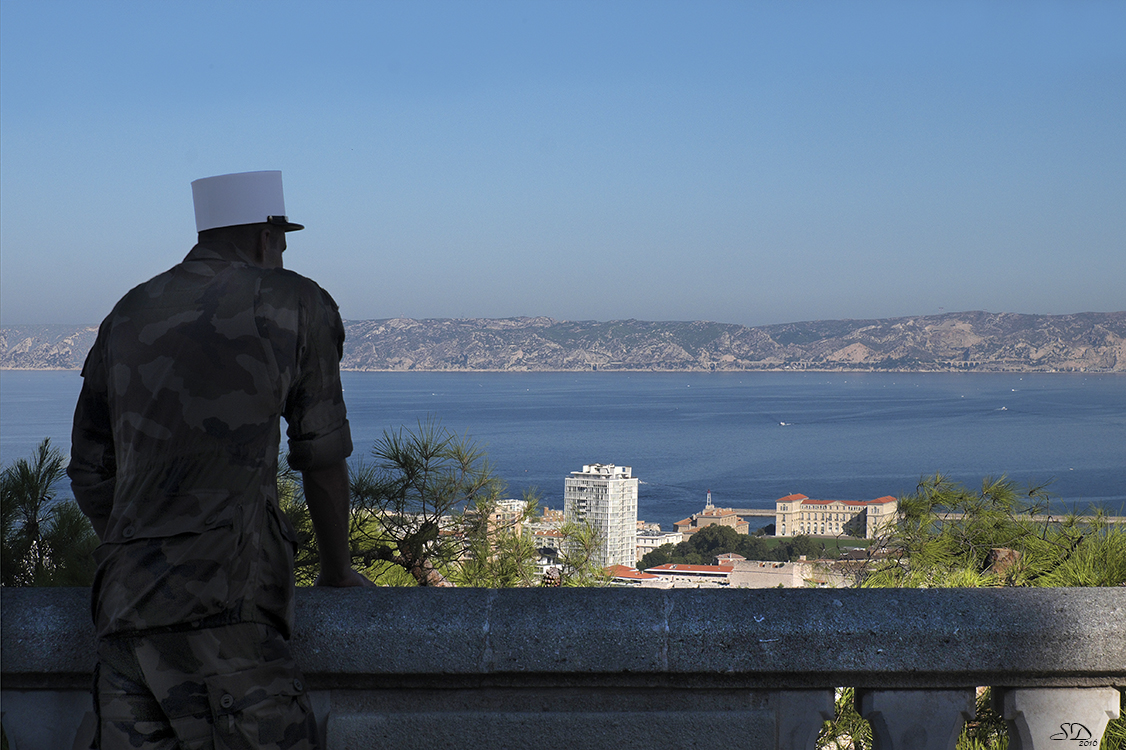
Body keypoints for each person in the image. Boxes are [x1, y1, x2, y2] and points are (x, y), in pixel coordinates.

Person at [68, 170, 372, 749]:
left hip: (125, 612)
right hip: (229, 612)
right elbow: (322, 456)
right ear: (266, 236)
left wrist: (151, 545)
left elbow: (89, 468)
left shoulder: (127, 313)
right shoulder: (295, 302)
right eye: (281, 242)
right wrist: (335, 570)